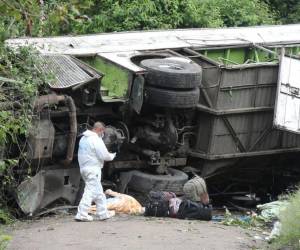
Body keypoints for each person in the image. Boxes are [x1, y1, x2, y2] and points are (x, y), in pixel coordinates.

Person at [75, 122, 116, 222]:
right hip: (93, 169)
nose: (103, 134)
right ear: (100, 130)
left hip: (84, 168)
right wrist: (113, 155)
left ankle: (103, 213)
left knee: (98, 192)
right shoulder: (95, 139)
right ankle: (82, 214)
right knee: (89, 191)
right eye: (103, 132)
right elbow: (104, 155)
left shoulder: (83, 138)